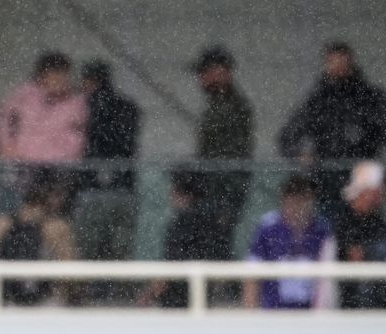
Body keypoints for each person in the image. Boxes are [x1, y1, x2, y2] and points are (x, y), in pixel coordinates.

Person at [279, 41, 386, 214]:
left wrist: (382, 176)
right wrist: (300, 155)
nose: (338, 68)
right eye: (333, 62)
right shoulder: (318, 100)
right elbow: (287, 137)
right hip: (328, 186)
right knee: (332, 234)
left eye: (342, 62)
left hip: (364, 188)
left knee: (366, 232)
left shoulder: (370, 98)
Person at [73, 60, 140, 303]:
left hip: (92, 189)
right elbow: (129, 146)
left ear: (90, 81)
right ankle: (120, 297)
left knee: (90, 249)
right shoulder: (129, 109)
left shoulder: (84, 108)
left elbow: (82, 147)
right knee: (120, 249)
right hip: (123, 188)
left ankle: (89, 296)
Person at [192, 46, 254, 263]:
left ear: (220, 72)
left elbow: (232, 155)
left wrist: (227, 196)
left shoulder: (235, 107)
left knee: (219, 240)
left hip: (225, 188)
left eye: (205, 73)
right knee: (211, 240)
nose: (201, 80)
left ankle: (221, 288)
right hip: (212, 187)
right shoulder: (216, 105)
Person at [243, 174, 336, 310]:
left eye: (304, 199)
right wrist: (250, 315)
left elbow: (328, 280)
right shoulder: (268, 228)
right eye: (294, 199)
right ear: (284, 200)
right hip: (274, 312)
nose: (298, 205)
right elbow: (251, 274)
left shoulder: (322, 231)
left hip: (310, 313)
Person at [0, 184, 78, 306]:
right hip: (36, 300)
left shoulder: (2, 225)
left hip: (16, 301)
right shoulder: (56, 227)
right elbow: (70, 271)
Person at [137, 172, 220, 308]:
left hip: (179, 294)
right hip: (200, 291)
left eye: (173, 190)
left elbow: (173, 261)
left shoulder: (183, 223)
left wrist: (151, 292)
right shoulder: (209, 220)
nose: (170, 195)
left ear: (183, 194)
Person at [333, 161, 386, 309]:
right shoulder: (345, 222)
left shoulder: (380, 221)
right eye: (377, 190)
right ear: (364, 191)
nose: (382, 195)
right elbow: (356, 266)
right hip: (354, 307)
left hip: (381, 306)